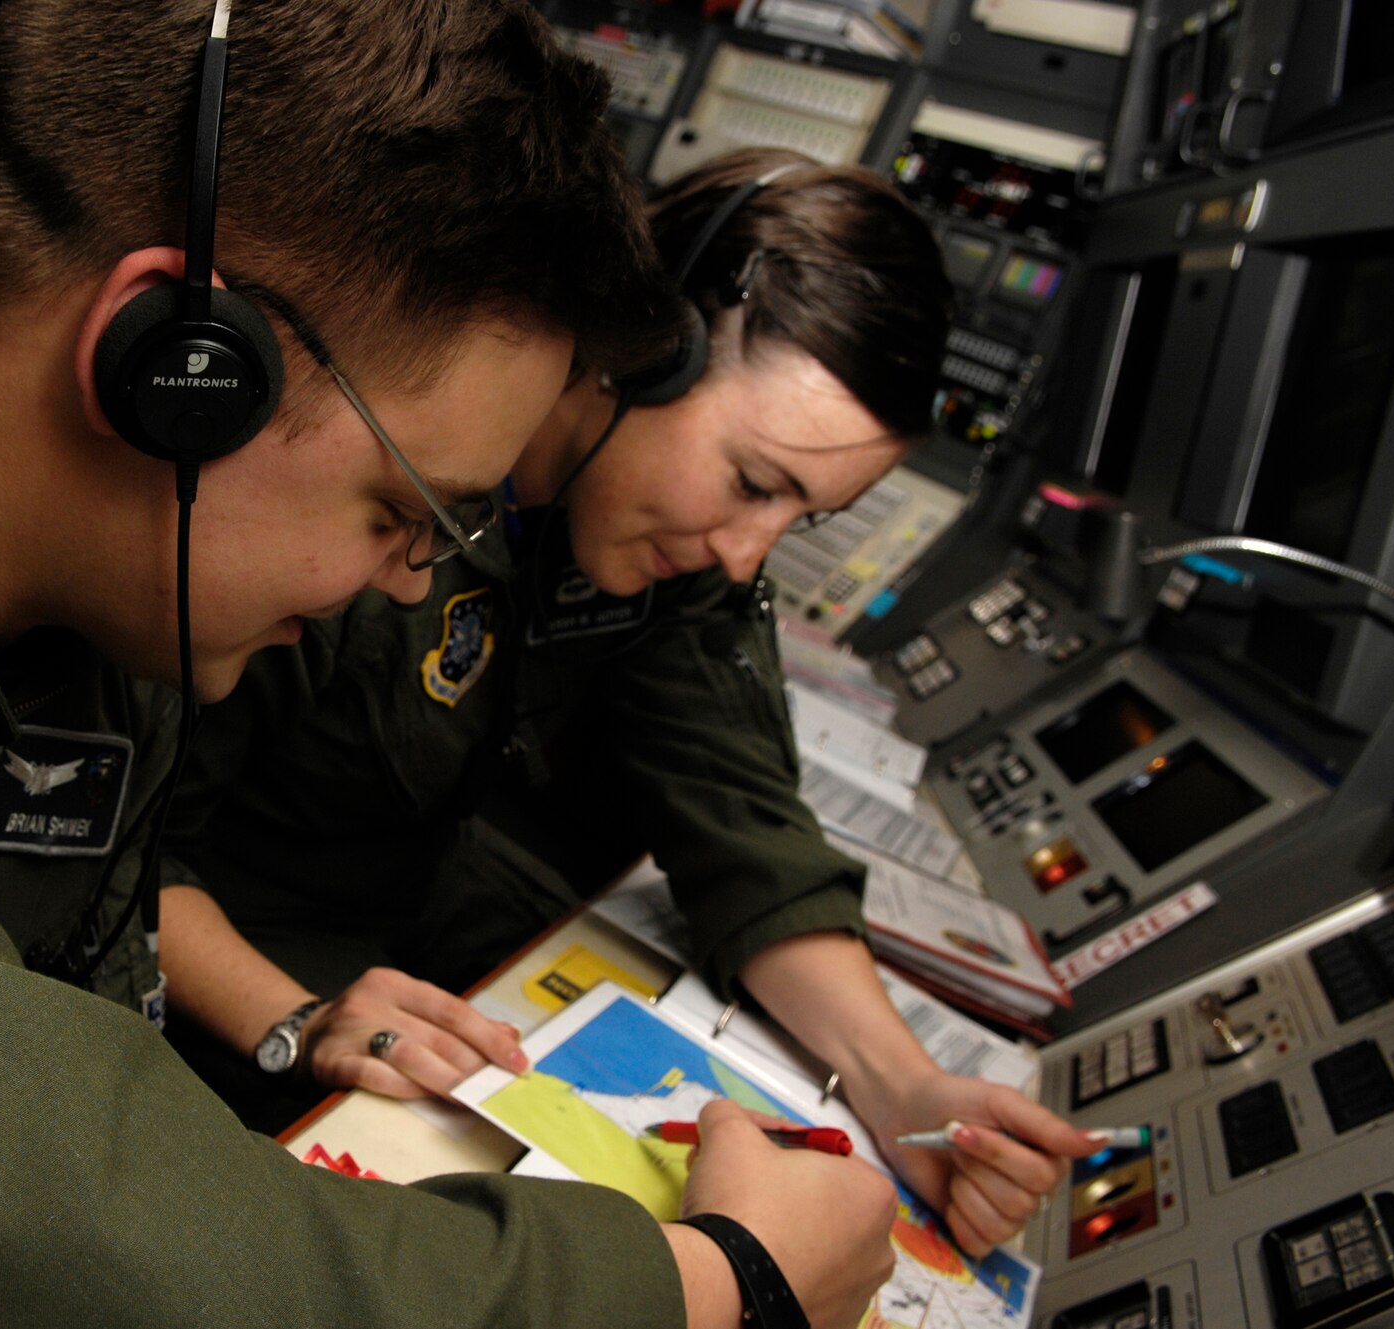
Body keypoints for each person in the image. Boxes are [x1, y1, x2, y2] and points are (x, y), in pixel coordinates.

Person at [0, 5, 923, 1327]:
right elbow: (30, 1235)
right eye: (403, 512)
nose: (411, 579)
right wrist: (719, 1285)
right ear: (174, 371)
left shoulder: (114, 585)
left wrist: (283, 1029)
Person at [159, 147, 1099, 1259]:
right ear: (642, 352)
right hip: (227, 989)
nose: (748, 557)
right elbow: (122, 847)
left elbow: (743, 826)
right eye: (753, 482)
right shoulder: (374, 480)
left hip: (433, 981)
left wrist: (906, 1093)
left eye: (797, 520)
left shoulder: (672, 559)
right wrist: (293, 1022)